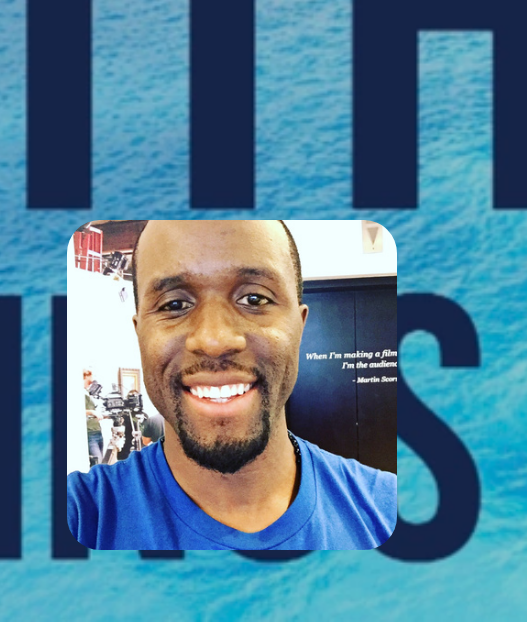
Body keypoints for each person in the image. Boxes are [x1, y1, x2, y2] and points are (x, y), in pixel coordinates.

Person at [65, 220, 395, 550]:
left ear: (300, 326)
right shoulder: (80, 517)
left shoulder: (389, 511)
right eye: (174, 305)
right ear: (140, 333)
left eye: (254, 298)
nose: (215, 340)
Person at [82, 369, 104, 468]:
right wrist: (92, 412)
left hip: (98, 431)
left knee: (101, 462)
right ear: (86, 376)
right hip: (90, 433)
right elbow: (75, 412)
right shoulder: (79, 393)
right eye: (91, 376)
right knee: (97, 463)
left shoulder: (88, 393)